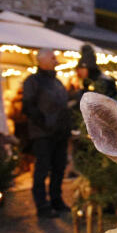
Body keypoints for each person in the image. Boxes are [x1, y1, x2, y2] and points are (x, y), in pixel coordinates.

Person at [22, 49, 72, 218]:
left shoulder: (57, 82)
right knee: (42, 170)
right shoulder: (32, 81)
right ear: (41, 60)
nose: (56, 60)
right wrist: (45, 124)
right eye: (52, 58)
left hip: (60, 134)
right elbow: (28, 107)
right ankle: (42, 205)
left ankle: (57, 200)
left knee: (59, 168)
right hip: (42, 135)